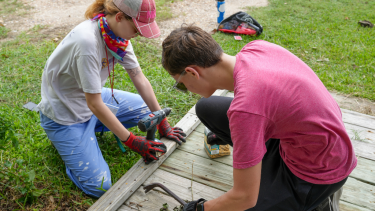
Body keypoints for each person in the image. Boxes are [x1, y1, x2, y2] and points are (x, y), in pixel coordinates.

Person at [161, 25, 357, 211]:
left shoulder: (245, 110)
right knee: (206, 107)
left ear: (192, 73)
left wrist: (201, 208)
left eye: (180, 84)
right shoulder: (256, 48)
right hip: (304, 141)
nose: (185, 90)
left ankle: (313, 202)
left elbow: (244, 197)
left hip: (319, 172)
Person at [37, 0, 186, 198]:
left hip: (91, 97)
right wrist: (132, 141)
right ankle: (68, 145)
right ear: (119, 17)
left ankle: (95, 128)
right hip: (66, 116)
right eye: (137, 29)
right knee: (100, 186)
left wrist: (162, 121)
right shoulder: (87, 42)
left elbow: (138, 77)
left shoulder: (116, 36)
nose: (139, 34)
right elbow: (94, 104)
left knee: (146, 110)